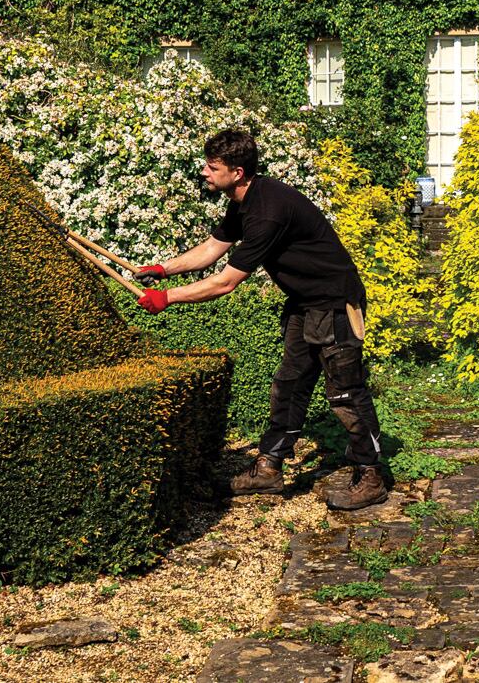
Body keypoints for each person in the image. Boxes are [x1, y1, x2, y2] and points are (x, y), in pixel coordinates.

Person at [131, 126, 388, 511]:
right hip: (304, 304)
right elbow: (212, 249)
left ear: (237, 172)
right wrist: (163, 270)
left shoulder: (268, 212)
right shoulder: (244, 201)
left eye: (212, 166)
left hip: (335, 303)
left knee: (345, 393)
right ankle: (268, 469)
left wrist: (166, 299)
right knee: (289, 384)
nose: (204, 171)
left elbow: (225, 282)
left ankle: (371, 476)